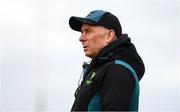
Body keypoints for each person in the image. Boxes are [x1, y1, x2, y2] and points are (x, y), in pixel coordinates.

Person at [69, 10, 145, 111]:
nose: (81, 38)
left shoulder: (118, 70)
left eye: (88, 31)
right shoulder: (101, 68)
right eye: (82, 32)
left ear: (109, 36)